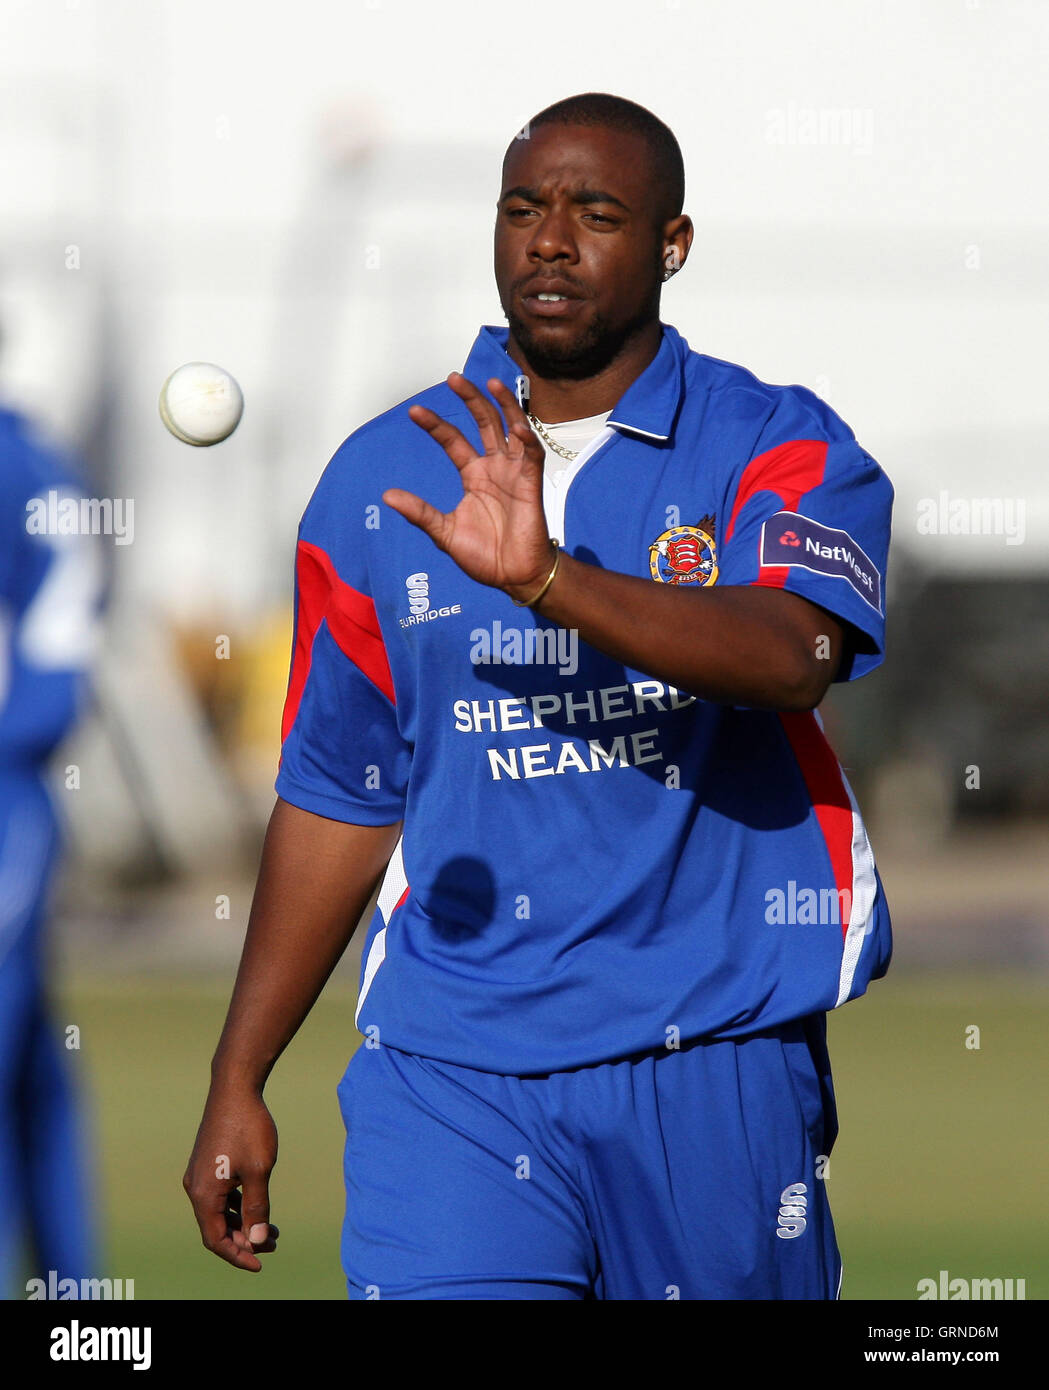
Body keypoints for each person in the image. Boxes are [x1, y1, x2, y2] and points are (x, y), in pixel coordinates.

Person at [184, 92, 893, 1300]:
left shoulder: (773, 441)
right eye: (522, 210)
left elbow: (792, 656)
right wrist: (238, 1076)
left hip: (707, 1051)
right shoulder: (380, 477)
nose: (548, 241)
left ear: (671, 243)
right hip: (449, 1067)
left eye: (594, 213)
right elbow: (338, 796)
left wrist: (552, 580)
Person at [0, 400, 102, 1298]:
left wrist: (23, 732)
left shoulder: (24, 466)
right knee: (29, 1069)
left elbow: (60, 647)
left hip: (4, 795)